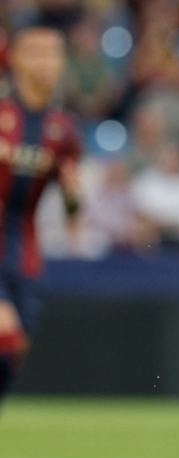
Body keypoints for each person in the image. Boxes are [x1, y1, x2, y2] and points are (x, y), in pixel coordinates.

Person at [0, 23, 81, 408]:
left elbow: (72, 206)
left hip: (26, 251)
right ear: (14, 58)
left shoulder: (62, 129)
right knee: (4, 335)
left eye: (53, 52)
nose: (46, 61)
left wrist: (73, 198)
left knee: (15, 352)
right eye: (36, 51)